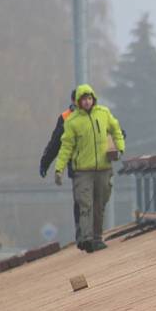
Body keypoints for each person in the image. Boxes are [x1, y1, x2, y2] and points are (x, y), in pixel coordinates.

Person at [54, 84, 125, 253]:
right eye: (83, 99)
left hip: (104, 168)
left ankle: (97, 237)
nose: (87, 102)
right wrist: (59, 168)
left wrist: (120, 148)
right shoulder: (72, 122)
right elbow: (66, 147)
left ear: (93, 99)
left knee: (100, 204)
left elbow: (116, 130)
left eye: (89, 98)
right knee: (85, 204)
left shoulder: (104, 113)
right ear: (78, 102)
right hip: (83, 171)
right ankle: (87, 238)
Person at [40, 90, 81, 241]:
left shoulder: (97, 114)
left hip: (96, 165)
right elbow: (56, 142)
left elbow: (106, 130)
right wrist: (46, 161)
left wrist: (119, 135)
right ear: (73, 100)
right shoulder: (65, 118)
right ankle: (82, 231)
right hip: (77, 166)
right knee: (80, 199)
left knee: (96, 199)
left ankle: (93, 232)